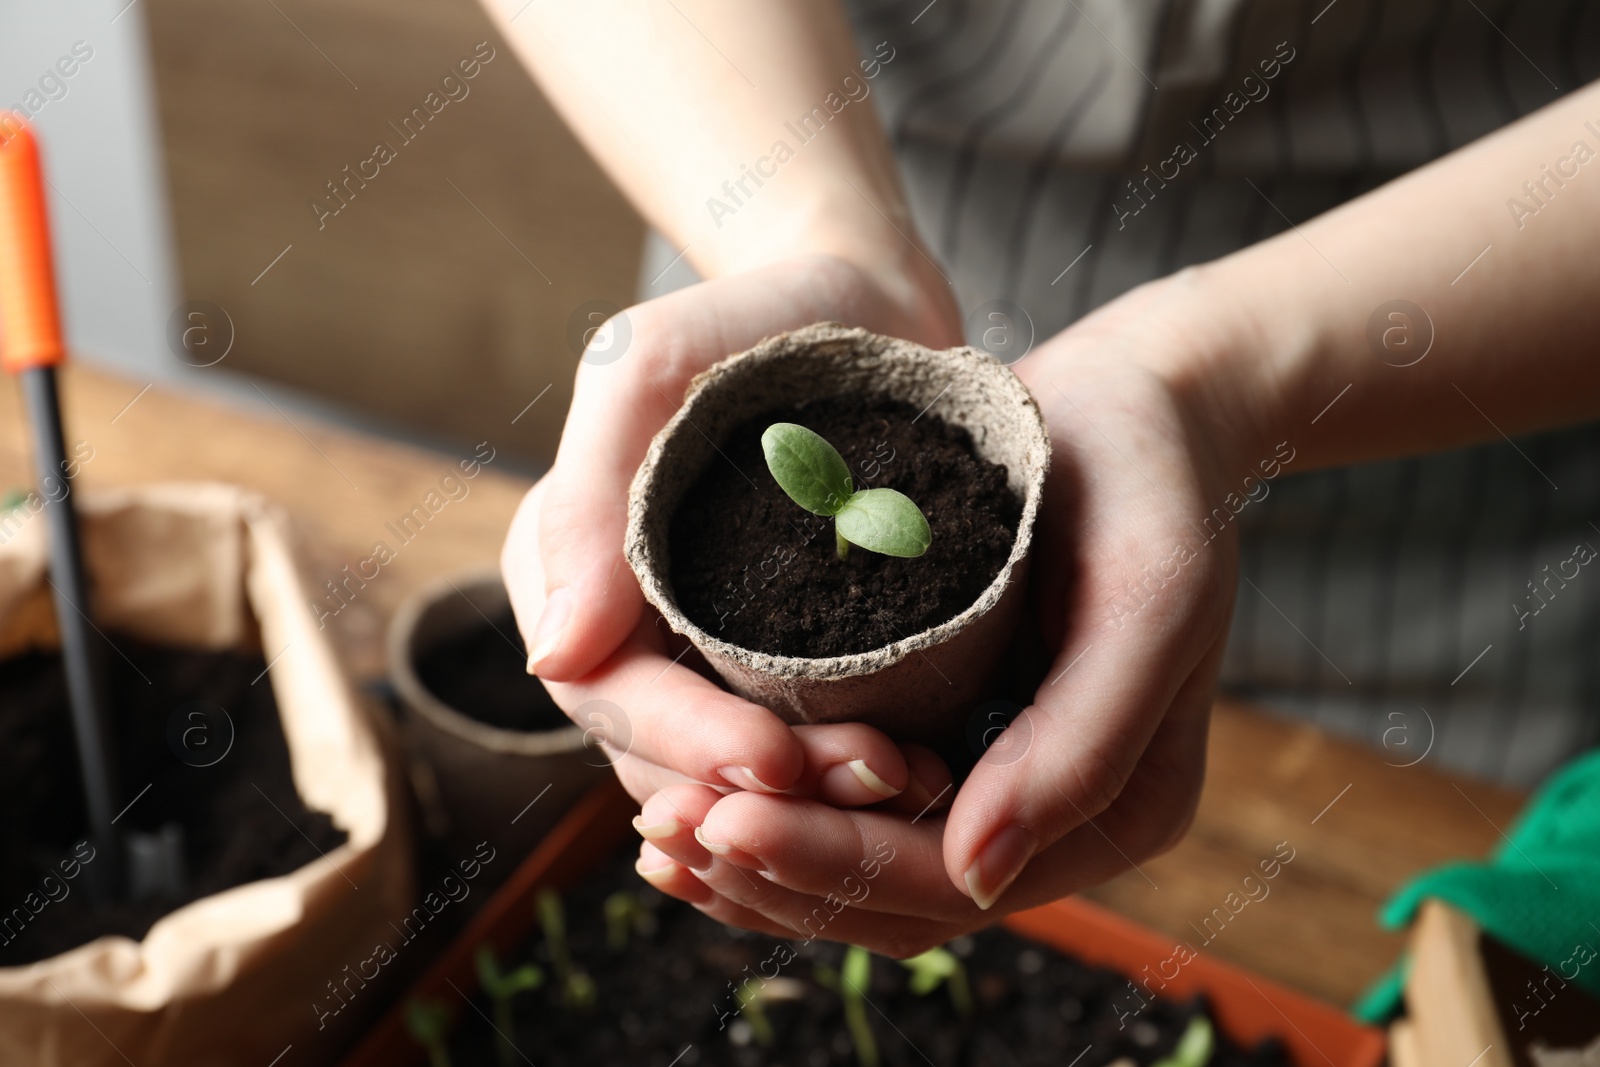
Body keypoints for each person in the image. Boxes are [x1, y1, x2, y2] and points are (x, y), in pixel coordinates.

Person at [485, 0, 1600, 956]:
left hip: (1460, 409)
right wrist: (812, 236)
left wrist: (1214, 381)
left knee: (1352, 898)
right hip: (765, 170)